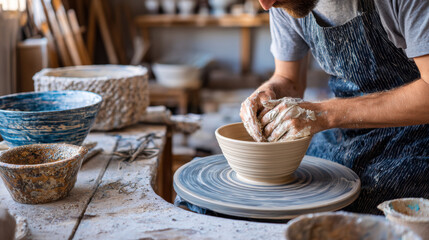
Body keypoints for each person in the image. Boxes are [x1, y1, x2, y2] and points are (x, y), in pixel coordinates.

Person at [240, 0, 429, 214]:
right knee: (276, 195)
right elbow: (288, 79)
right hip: (344, 133)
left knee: (359, 206)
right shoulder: (281, 3)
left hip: (419, 134)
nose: (265, 5)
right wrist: (269, 92)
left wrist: (324, 114)